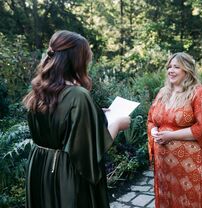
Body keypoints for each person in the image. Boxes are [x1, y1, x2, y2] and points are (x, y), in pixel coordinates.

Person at [23, 30, 130, 208]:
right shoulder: (78, 95)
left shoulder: (39, 90)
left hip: (39, 166)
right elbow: (88, 153)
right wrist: (117, 124)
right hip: (65, 173)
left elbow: (56, 121)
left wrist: (92, 113)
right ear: (77, 60)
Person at [147, 52, 202, 208]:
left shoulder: (199, 93)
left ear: (187, 70)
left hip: (193, 167)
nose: (171, 70)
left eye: (176, 67)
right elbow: (152, 120)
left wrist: (171, 136)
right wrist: (153, 131)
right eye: (169, 67)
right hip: (165, 167)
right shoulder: (163, 92)